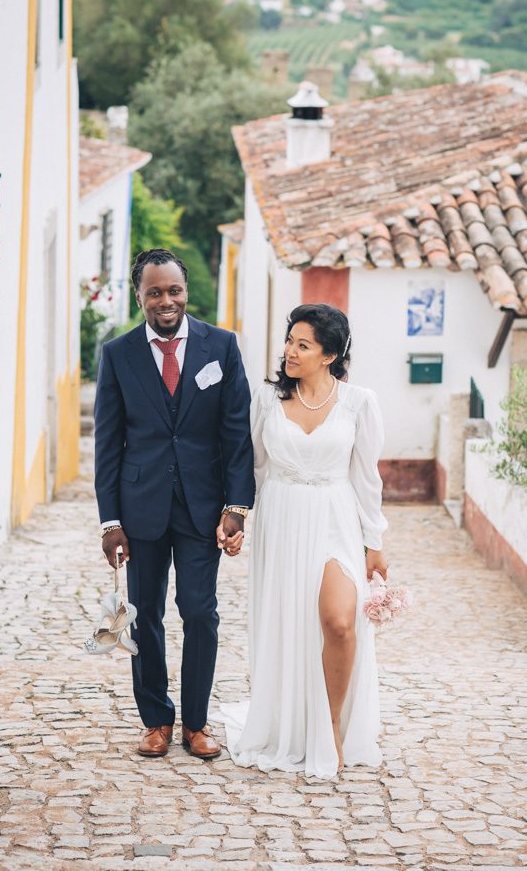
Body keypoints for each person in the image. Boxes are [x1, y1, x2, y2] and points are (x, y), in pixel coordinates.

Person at [94, 248, 254, 759]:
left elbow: (236, 432)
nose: (166, 301)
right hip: (140, 507)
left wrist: (237, 506)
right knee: (145, 616)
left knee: (200, 612)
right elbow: (107, 441)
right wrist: (110, 521)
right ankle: (156, 720)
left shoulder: (222, 346)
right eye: (155, 292)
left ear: (188, 292)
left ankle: (197, 723)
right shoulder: (118, 354)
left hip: (202, 506)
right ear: (139, 296)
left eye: (174, 290)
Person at [222, 303, 388, 779]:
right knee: (289, 623)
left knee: (339, 621)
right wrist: (236, 516)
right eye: (290, 341)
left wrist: (374, 542)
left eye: (303, 345)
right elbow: (250, 465)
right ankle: (288, 725)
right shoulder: (268, 399)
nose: (290, 352)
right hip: (282, 516)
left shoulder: (359, 403)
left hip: (336, 517)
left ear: (329, 355)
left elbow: (366, 477)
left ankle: (332, 726)